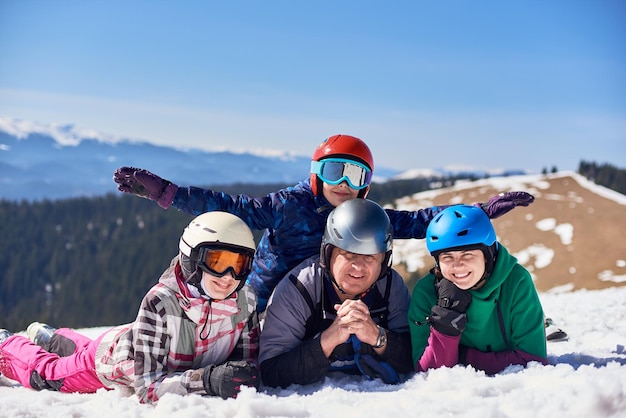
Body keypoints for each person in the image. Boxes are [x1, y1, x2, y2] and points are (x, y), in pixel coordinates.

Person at [113, 134, 534, 311]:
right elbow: (231, 205)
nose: (344, 185)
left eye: (357, 177)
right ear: (317, 172)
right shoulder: (287, 205)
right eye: (336, 171)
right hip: (266, 302)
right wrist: (166, 192)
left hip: (320, 303)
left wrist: (479, 212)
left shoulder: (362, 218)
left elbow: (417, 221)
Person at [0, 212, 261, 403]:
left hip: (136, 338)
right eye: (217, 261)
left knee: (84, 349)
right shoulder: (161, 302)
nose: (228, 275)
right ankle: (7, 345)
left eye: (239, 265)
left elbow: (244, 366)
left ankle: (52, 337)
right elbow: (148, 388)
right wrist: (206, 381)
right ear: (192, 257)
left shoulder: (245, 300)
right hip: (112, 363)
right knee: (49, 375)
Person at [259, 199, 413, 387]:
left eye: (371, 257)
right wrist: (327, 340)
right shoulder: (300, 288)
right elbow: (270, 371)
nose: (358, 267)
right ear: (328, 254)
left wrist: (378, 337)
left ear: (383, 262)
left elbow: (414, 356)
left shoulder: (390, 286)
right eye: (349, 254)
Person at [408, 205, 548, 375]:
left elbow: (533, 361)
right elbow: (427, 372)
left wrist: (461, 357)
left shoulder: (516, 281)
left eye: (468, 255)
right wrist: (446, 321)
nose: (457, 265)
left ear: (488, 256)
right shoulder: (426, 292)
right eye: (447, 257)